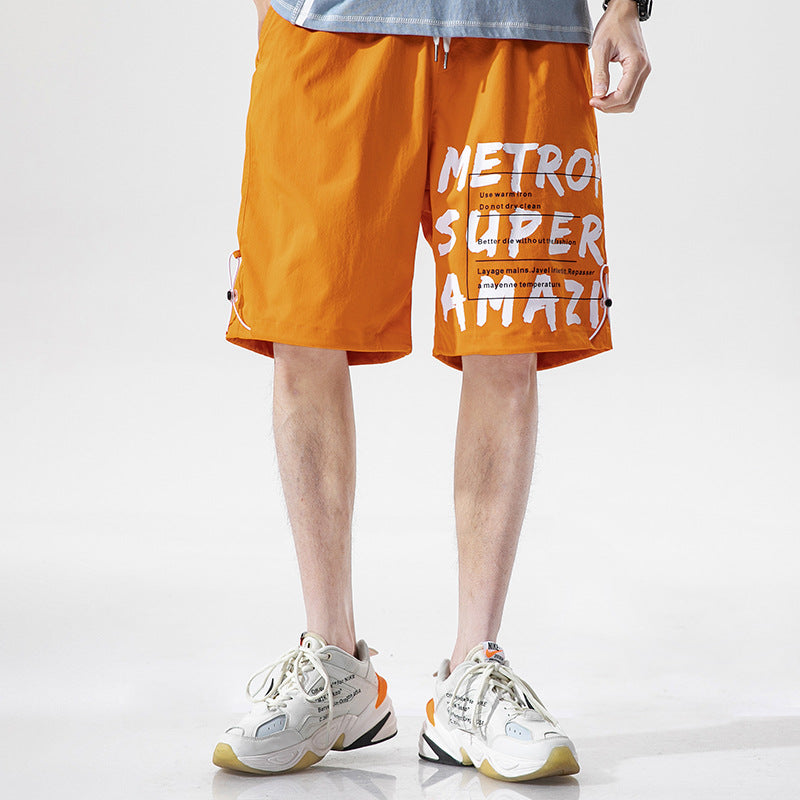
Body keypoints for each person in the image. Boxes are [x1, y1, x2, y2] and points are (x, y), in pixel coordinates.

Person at [214, 0, 651, 782]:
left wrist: (625, 4)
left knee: (506, 339)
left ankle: (474, 670)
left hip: (518, 27)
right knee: (301, 330)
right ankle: (333, 666)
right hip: (327, 26)